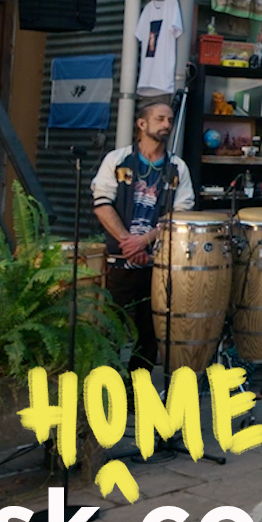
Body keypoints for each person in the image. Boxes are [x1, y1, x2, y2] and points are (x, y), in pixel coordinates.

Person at [92, 97, 195, 372]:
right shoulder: (117, 160)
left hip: (158, 263)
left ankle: (137, 393)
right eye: (160, 119)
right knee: (112, 327)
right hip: (120, 260)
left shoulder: (178, 168)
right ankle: (108, 389)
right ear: (141, 123)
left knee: (150, 331)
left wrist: (144, 241)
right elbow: (102, 205)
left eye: (170, 120)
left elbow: (180, 214)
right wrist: (128, 242)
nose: (167, 124)